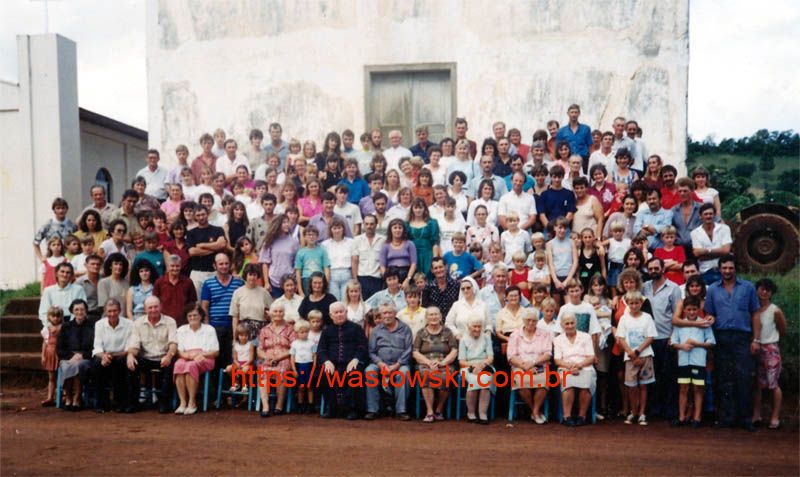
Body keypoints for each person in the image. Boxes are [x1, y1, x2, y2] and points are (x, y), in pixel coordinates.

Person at [704, 256, 760, 430]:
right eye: (724, 268)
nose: (727, 271)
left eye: (730, 268)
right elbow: (709, 315)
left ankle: (745, 418)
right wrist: (710, 343)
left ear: (735, 269)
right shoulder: (713, 290)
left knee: (743, 377)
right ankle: (727, 417)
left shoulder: (748, 288)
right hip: (721, 337)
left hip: (742, 337)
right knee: (724, 378)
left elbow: (755, 314)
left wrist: (756, 339)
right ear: (719, 270)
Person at [317, 302, 368, 419]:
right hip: (332, 363)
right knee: (324, 374)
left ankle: (352, 409)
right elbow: (321, 349)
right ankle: (331, 408)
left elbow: (362, 346)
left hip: (351, 362)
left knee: (354, 374)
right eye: (336, 312)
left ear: (346, 312)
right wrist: (326, 361)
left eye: (341, 312)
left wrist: (355, 359)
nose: (339, 314)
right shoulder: (327, 330)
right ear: (331, 315)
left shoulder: (356, 328)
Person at [670, 295, 715, 427]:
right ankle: (682, 417)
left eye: (694, 309)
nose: (691, 312)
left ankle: (697, 417)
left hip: (698, 361)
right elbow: (673, 342)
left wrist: (697, 344)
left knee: (698, 389)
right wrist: (682, 346)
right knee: (683, 389)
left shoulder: (704, 324)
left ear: (698, 309)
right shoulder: (680, 325)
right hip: (684, 361)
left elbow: (711, 343)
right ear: (684, 310)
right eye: (689, 309)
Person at [363, 302, 413, 421]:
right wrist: (380, 364)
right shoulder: (376, 330)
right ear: (380, 314)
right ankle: (372, 410)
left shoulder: (405, 328)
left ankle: (401, 410)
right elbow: (371, 351)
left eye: (390, 312)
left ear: (395, 313)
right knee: (369, 371)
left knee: (404, 372)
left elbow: (409, 350)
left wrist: (397, 365)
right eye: (384, 313)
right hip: (380, 363)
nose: (387, 315)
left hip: (400, 364)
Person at [615, 291, 658, 426]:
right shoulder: (624, 318)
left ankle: (642, 413)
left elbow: (650, 337)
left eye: (637, 303)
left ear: (641, 303)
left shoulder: (647, 317)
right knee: (631, 386)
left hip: (645, 355)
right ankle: (633, 412)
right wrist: (630, 352)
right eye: (631, 303)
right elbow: (620, 337)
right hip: (629, 357)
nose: (634, 306)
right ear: (627, 304)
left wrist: (638, 351)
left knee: (643, 385)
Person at [412, 306, 457, 423]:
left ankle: (439, 409)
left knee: (446, 377)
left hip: (444, 363)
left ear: (441, 316)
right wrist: (428, 362)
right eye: (431, 315)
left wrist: (443, 363)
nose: (433, 317)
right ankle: (430, 411)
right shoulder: (421, 333)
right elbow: (415, 352)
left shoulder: (447, 332)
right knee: (426, 375)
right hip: (425, 363)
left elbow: (454, 350)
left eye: (436, 314)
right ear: (426, 318)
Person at [752, 278, 786, 430]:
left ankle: (775, 416)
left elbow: (783, 329)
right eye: (761, 289)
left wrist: (772, 343)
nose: (764, 292)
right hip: (756, 348)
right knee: (758, 384)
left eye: (767, 290)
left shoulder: (775, 310)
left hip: (771, 348)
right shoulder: (753, 309)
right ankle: (757, 414)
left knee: (773, 384)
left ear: (771, 293)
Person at [507, 312, 553, 424]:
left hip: (539, 365)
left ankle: (535, 411)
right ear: (523, 320)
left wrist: (532, 363)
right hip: (520, 366)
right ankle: (535, 411)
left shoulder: (544, 334)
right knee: (521, 381)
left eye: (534, 320)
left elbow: (548, 354)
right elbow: (511, 356)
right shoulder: (515, 335)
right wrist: (524, 366)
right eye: (528, 320)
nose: (531, 323)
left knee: (544, 380)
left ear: (537, 321)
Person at [173, 304, 219, 415]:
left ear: (201, 316)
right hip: (187, 357)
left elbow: (215, 352)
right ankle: (183, 402)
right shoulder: (181, 330)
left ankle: (192, 402)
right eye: (190, 316)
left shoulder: (209, 329)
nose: (192, 318)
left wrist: (202, 354)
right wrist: (189, 356)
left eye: (195, 315)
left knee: (190, 366)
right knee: (178, 365)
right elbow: (179, 351)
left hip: (205, 358)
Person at [554, 312, 597, 426]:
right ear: (562, 325)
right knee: (568, 385)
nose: (569, 326)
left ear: (576, 323)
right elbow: (557, 360)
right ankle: (567, 416)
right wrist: (570, 367)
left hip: (585, 367)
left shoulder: (585, 337)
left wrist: (579, 365)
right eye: (566, 323)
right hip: (566, 367)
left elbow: (591, 357)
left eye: (572, 323)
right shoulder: (558, 339)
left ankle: (581, 416)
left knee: (586, 385)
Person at [257, 302, 296, 417]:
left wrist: (279, 357)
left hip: (284, 357)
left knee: (282, 371)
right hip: (268, 358)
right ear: (270, 313)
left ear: (284, 313)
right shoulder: (265, 330)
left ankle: (279, 405)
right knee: (262, 371)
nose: (278, 313)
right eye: (275, 311)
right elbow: (259, 349)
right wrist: (267, 357)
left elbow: (293, 348)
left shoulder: (290, 328)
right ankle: (265, 406)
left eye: (280, 311)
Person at [55, 299, 95, 411]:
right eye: (76, 309)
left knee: (78, 366)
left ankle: (77, 398)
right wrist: (70, 357)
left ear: (86, 310)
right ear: (72, 311)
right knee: (68, 365)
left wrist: (82, 356)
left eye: (82, 309)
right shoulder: (66, 327)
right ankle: (68, 398)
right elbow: (59, 349)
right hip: (68, 357)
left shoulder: (93, 326)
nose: (79, 312)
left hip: (86, 358)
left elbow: (96, 347)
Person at [459, 317, 495, 424]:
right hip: (468, 366)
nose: (477, 329)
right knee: (474, 381)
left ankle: (482, 413)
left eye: (479, 326)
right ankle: (471, 413)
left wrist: (482, 365)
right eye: (474, 326)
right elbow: (462, 361)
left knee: (485, 379)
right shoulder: (463, 340)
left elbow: (491, 357)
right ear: (469, 327)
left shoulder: (487, 338)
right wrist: (474, 365)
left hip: (485, 365)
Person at [186, 205, 228, 295]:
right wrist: (215, 248)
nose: (201, 217)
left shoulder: (218, 230)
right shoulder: (191, 233)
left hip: (215, 272)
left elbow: (223, 244)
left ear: (207, 214)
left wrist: (202, 245)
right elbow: (192, 252)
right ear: (194, 217)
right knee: (197, 302)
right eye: (198, 215)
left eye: (203, 214)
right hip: (197, 273)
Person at [691, 203, 732, 285]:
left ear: (714, 215)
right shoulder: (695, 233)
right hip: (705, 271)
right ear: (700, 216)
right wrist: (721, 253)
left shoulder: (724, 228)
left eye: (710, 214)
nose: (708, 216)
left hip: (725, 270)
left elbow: (726, 250)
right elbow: (698, 254)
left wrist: (705, 251)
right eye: (705, 214)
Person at [229, 263, 272, 340]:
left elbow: (272, 312)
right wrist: (235, 336)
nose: (252, 277)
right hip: (244, 331)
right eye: (250, 274)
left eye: (255, 275)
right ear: (246, 275)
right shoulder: (238, 292)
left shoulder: (264, 292)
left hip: (261, 330)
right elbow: (235, 316)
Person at [33, 197, 77, 265]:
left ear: (66, 209)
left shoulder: (72, 225)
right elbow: (35, 243)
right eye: (58, 208)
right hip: (52, 259)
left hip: (68, 259)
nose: (61, 211)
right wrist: (41, 257)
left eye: (63, 208)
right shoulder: (48, 224)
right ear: (54, 210)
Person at [546, 217, 578, 304]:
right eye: (560, 227)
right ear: (555, 228)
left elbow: (575, 262)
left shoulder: (571, 242)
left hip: (569, 276)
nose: (562, 230)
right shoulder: (549, 244)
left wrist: (567, 280)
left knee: (569, 305)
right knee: (556, 307)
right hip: (556, 277)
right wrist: (555, 280)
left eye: (565, 228)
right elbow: (550, 264)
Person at [321, 218, 354, 301]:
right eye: (334, 228)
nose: (337, 231)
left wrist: (354, 278)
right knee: (334, 301)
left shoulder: (351, 242)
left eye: (339, 228)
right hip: (332, 276)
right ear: (330, 230)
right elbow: (324, 264)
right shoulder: (325, 244)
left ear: (343, 229)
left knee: (346, 301)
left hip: (347, 274)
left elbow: (354, 261)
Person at [634, 188, 673, 252]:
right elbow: (636, 229)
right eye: (649, 199)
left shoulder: (668, 213)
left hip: (660, 251)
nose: (651, 201)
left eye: (654, 198)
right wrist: (655, 231)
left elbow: (665, 229)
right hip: (643, 251)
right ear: (646, 202)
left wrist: (646, 227)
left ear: (660, 200)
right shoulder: (641, 213)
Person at [556, 104, 593, 170]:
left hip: (583, 160)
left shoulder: (586, 129)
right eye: (572, 112)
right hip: (568, 161)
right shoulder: (562, 131)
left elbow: (590, 146)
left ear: (579, 113)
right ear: (568, 113)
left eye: (576, 112)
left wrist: (591, 160)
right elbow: (558, 148)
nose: (574, 114)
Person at [40, 306, 63, 407]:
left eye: (58, 316)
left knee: (63, 376)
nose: (55, 318)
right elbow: (45, 343)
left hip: (60, 353)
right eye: (53, 316)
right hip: (50, 353)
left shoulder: (63, 327)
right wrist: (43, 355)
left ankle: (64, 396)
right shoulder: (46, 328)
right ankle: (50, 397)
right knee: (51, 377)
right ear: (49, 317)